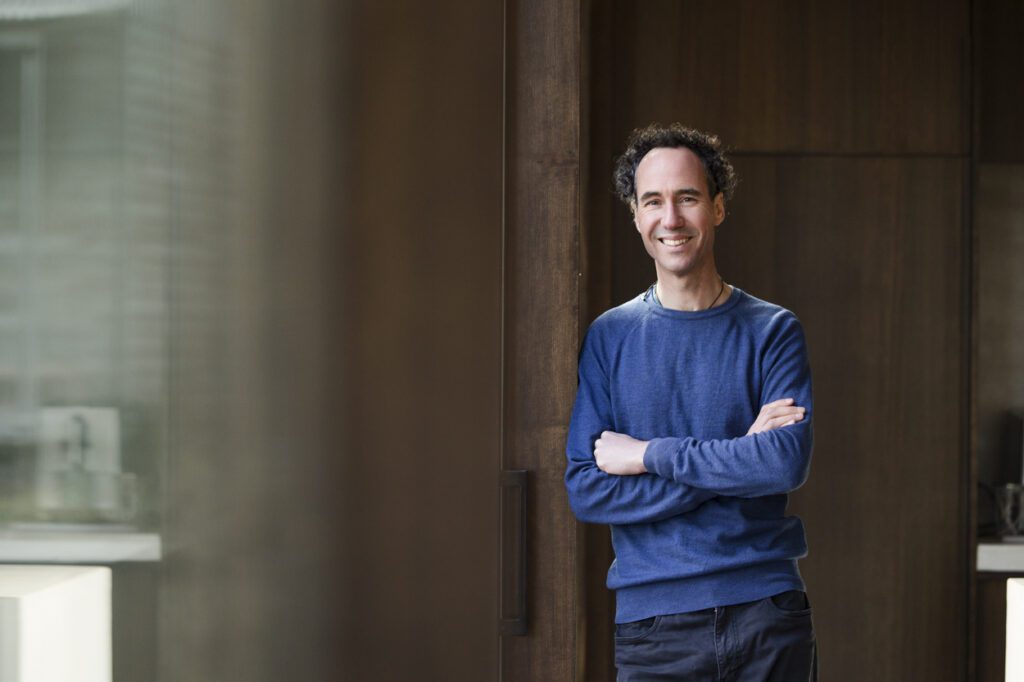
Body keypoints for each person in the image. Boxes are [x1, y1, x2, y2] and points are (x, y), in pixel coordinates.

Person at [564, 124, 816, 680]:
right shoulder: (610, 338)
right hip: (654, 627)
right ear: (636, 215)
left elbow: (782, 463)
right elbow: (587, 489)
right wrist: (735, 457)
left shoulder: (773, 331)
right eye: (653, 201)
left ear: (718, 208)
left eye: (688, 198)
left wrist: (647, 454)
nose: (671, 218)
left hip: (766, 612)